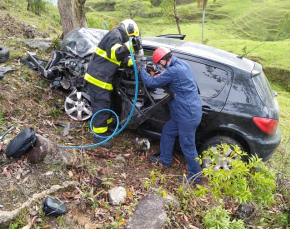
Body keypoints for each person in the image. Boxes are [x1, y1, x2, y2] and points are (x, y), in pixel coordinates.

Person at [138, 47, 203, 184]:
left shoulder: (174, 71)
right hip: (184, 113)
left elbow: (152, 82)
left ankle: (196, 176)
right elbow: (166, 77)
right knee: (168, 131)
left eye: (158, 64)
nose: (158, 66)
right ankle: (165, 160)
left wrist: (141, 71)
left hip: (187, 114)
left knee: (187, 145)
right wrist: (158, 73)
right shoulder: (182, 64)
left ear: (163, 60)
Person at [85, 19, 142, 148]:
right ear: (129, 29)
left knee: (107, 104)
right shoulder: (114, 34)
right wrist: (130, 46)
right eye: (131, 37)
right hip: (98, 78)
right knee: (101, 106)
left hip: (103, 78)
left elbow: (119, 59)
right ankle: (99, 137)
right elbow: (115, 54)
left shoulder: (118, 38)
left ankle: (107, 127)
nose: (130, 40)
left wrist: (135, 63)